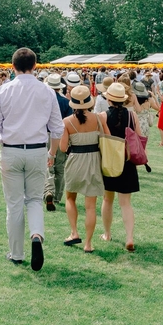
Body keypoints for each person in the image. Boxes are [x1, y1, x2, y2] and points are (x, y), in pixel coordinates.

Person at [0, 48, 63, 270]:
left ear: (13, 67)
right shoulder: (47, 91)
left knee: (14, 203)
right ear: (35, 66)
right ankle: (36, 235)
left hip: (11, 150)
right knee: (35, 200)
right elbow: (57, 129)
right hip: (38, 150)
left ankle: (16, 252)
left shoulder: (2, 92)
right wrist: (52, 153)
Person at [60, 85, 105, 252]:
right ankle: (88, 243)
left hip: (75, 161)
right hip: (94, 162)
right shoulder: (99, 118)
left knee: (70, 198)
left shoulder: (67, 122)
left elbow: (63, 148)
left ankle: (74, 232)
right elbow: (107, 139)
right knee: (90, 206)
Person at [99, 83, 139, 251]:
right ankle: (129, 237)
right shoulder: (132, 115)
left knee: (108, 199)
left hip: (109, 161)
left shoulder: (102, 116)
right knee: (126, 203)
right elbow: (138, 137)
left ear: (108, 98)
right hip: (127, 161)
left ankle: (107, 233)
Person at [43, 74, 71, 210]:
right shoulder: (65, 102)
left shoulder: (42, 100)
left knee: (47, 165)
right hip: (60, 135)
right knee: (60, 167)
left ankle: (49, 190)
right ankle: (57, 196)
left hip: (44, 135)